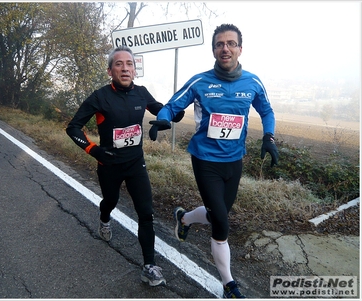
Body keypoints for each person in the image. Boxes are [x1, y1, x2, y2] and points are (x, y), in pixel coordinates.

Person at [149, 23, 279, 298]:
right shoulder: (200, 81)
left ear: (240, 49)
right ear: (213, 50)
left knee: (215, 214)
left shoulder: (253, 82)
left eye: (231, 43)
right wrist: (163, 119)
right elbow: (173, 105)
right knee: (221, 222)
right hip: (205, 159)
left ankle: (184, 219)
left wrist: (269, 138)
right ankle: (229, 284)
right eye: (220, 44)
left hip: (234, 161)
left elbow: (267, 110)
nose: (225, 48)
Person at [66, 45, 184, 287]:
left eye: (129, 63)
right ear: (110, 70)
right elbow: (73, 127)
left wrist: (172, 115)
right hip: (108, 164)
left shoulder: (141, 93)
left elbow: (162, 110)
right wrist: (94, 149)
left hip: (135, 163)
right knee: (110, 201)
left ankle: (149, 266)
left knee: (146, 212)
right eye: (118, 64)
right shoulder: (100, 96)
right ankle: (104, 218)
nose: (125, 68)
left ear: (134, 70)